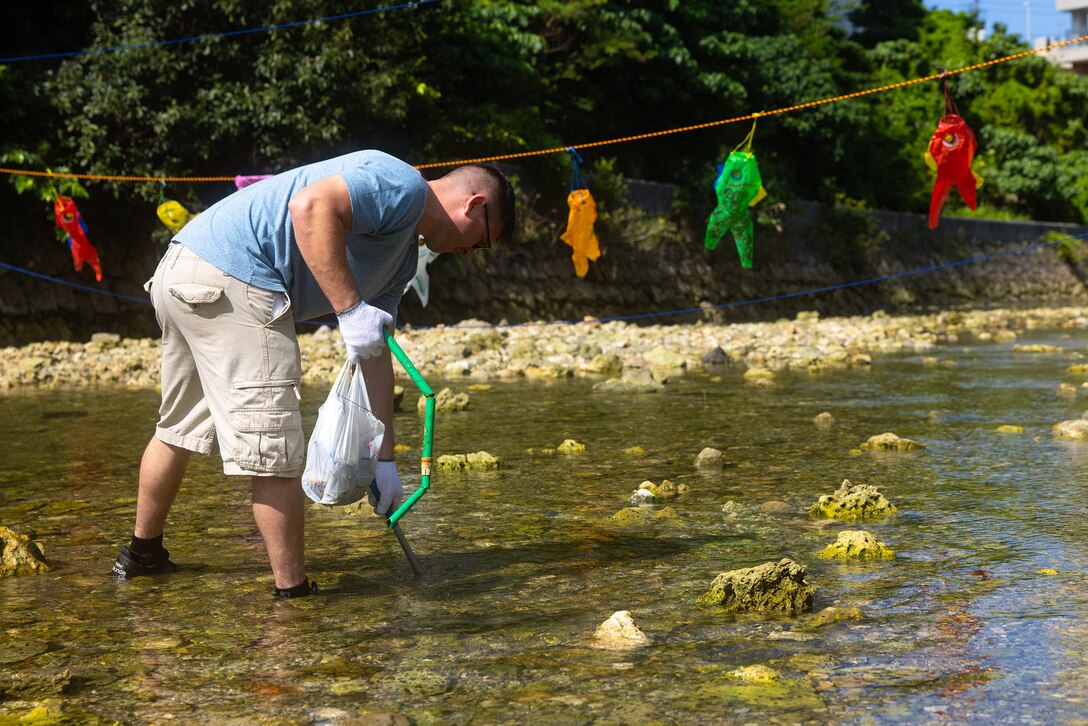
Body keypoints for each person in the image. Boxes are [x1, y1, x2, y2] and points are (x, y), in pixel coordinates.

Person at [111, 150, 515, 598]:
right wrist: (349, 309)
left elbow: (375, 351)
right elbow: (310, 207)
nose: (470, 252)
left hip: (186, 267)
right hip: (236, 275)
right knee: (275, 446)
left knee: (181, 426)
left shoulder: (401, 258)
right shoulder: (403, 186)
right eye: (481, 241)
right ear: (474, 205)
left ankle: (142, 556)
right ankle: (293, 596)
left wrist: (384, 459)